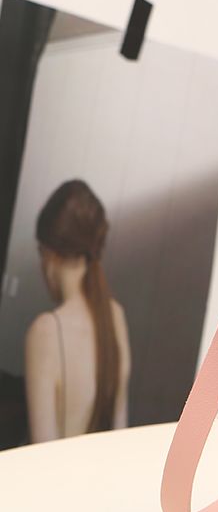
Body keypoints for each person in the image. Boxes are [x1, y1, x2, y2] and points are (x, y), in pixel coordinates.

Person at [25, 180, 130, 441]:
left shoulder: (46, 331)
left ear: (50, 255)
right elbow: (120, 435)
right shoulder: (115, 316)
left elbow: (43, 451)